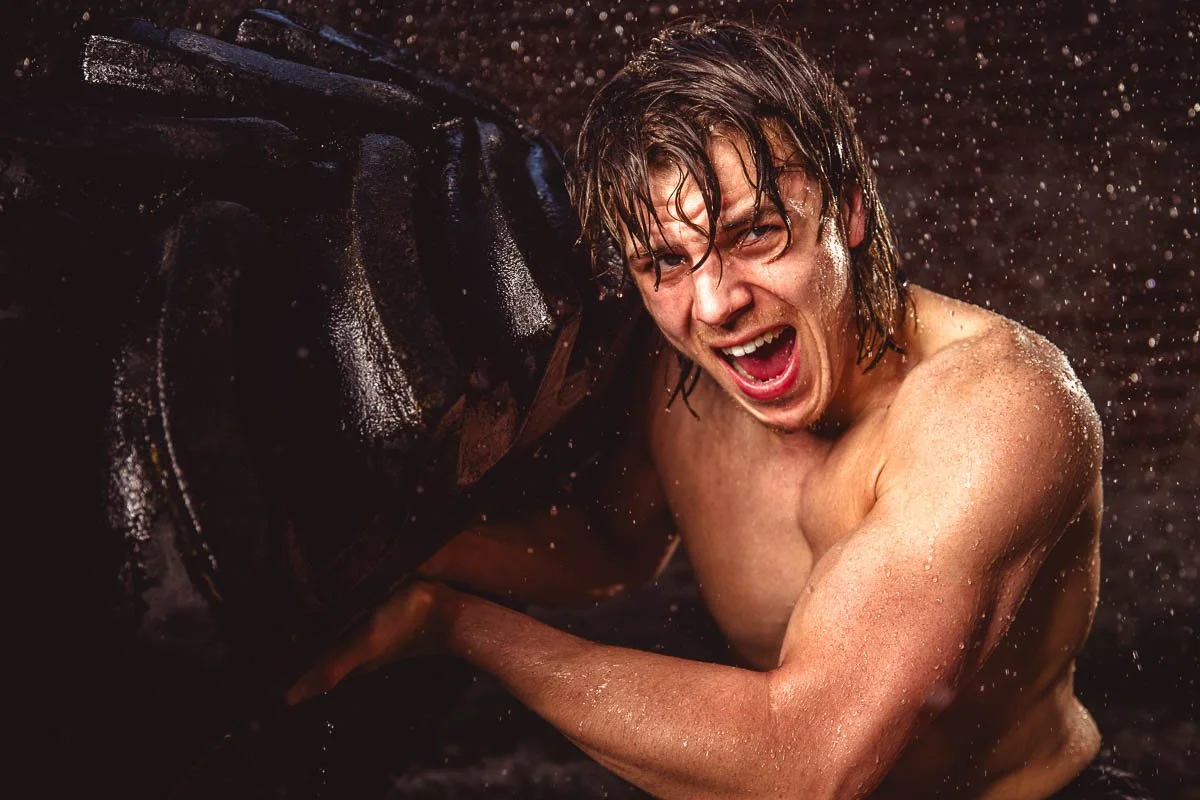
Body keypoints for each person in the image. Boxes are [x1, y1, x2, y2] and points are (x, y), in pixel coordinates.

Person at [287, 20, 1147, 799]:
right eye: (665, 260)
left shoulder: (996, 413)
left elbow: (807, 761)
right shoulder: (680, 379)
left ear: (844, 207)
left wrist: (455, 625)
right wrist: (405, 557)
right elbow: (616, 546)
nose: (713, 304)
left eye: (754, 235)